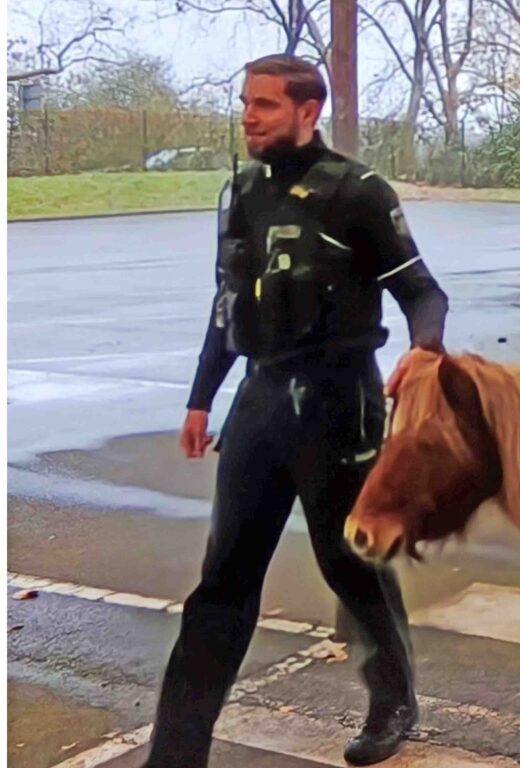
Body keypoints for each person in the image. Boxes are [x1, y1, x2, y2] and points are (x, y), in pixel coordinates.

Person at [144, 53, 448, 768]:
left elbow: (423, 293)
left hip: (340, 400)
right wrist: (200, 397)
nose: (248, 116)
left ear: (308, 112)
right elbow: (226, 308)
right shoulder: (240, 191)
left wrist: (425, 349)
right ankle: (175, 753)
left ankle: (393, 699)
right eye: (246, 103)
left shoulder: (359, 193)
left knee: (352, 566)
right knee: (223, 582)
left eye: (265, 105)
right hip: (260, 400)